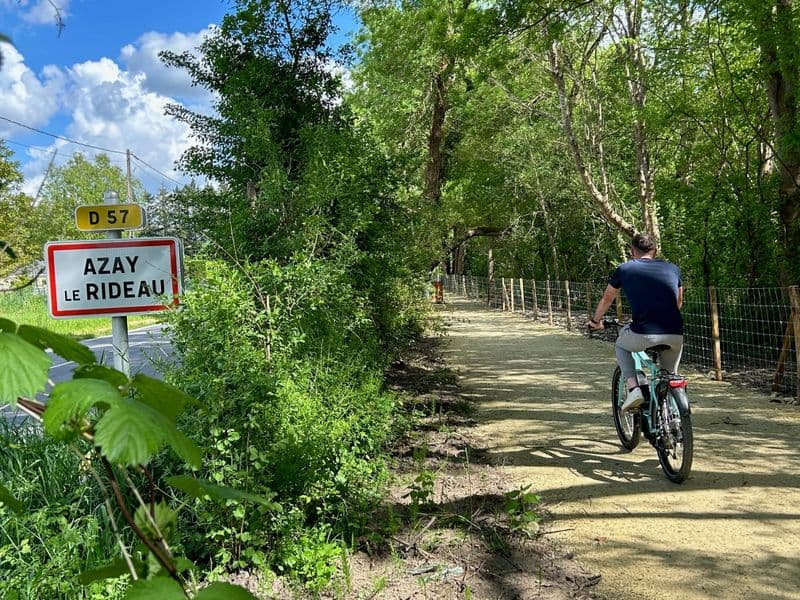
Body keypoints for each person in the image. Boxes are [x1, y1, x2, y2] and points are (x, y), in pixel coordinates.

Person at [587, 233, 684, 412]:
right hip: (675, 333)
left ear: (632, 251)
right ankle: (671, 415)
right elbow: (678, 302)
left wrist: (595, 321)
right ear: (655, 251)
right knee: (669, 376)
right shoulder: (673, 269)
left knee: (621, 345)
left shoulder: (625, 269)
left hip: (644, 332)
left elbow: (607, 298)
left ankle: (634, 389)